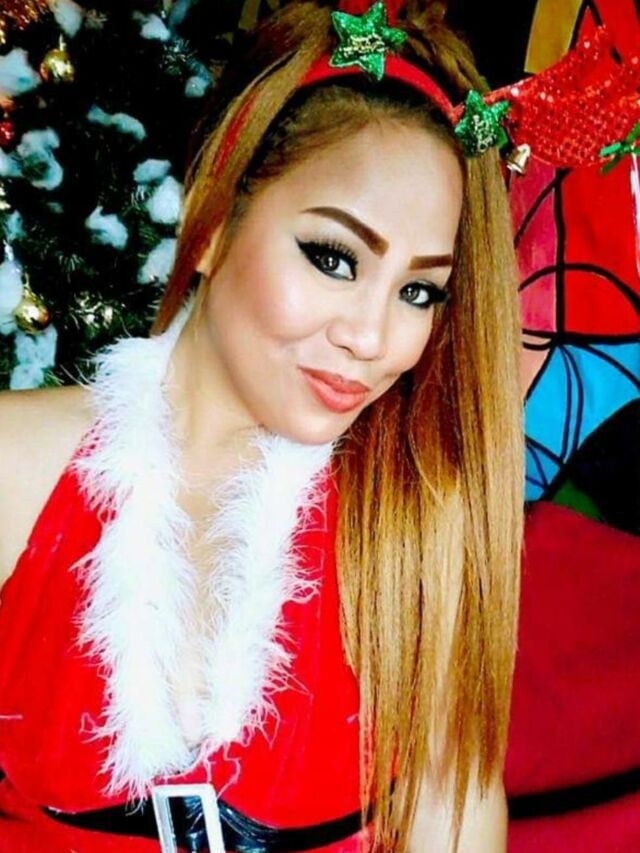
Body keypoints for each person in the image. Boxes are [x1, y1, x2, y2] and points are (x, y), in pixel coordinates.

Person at [0, 0, 524, 850]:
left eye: (419, 290)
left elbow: (452, 809)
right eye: (333, 258)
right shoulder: (13, 474)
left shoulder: (413, 525)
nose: (373, 336)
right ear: (210, 223)